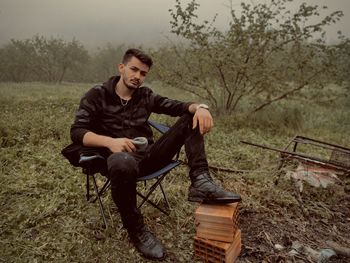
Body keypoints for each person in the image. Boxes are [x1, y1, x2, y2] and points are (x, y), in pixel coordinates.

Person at [63, 48, 241, 260]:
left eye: (143, 73)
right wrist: (110, 142)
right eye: (134, 70)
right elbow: (77, 131)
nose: (137, 76)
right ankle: (136, 229)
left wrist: (200, 107)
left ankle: (201, 181)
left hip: (149, 158)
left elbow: (177, 106)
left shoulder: (145, 96)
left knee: (189, 118)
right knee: (122, 161)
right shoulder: (97, 94)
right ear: (122, 68)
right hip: (116, 162)